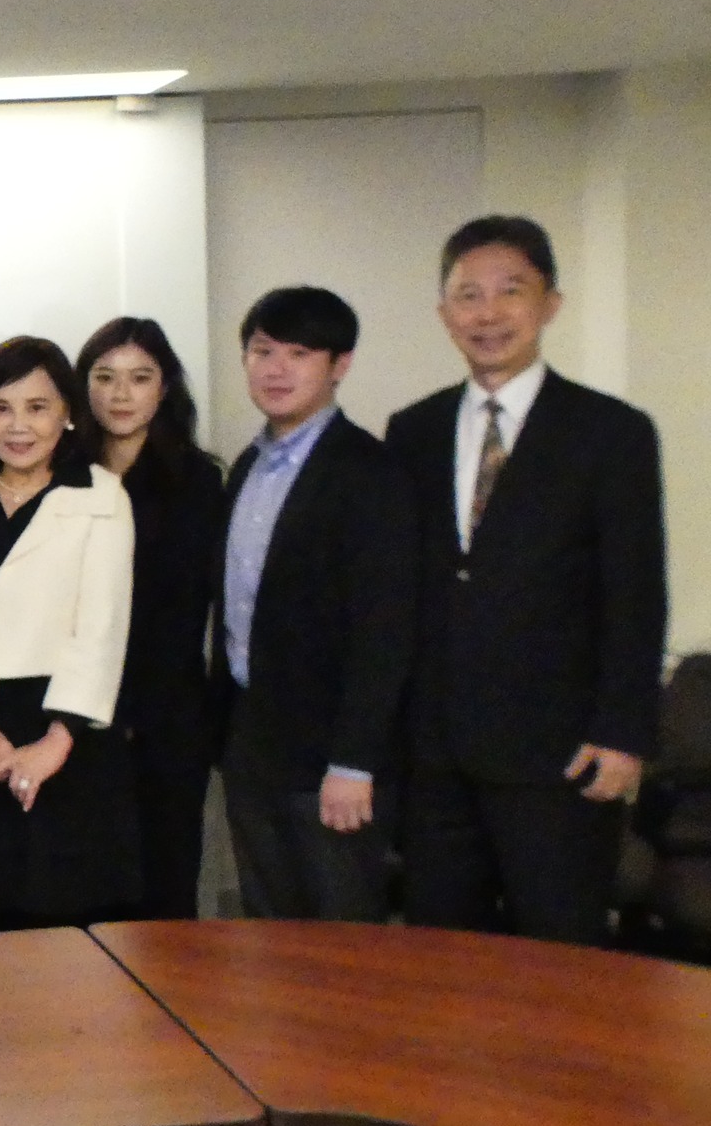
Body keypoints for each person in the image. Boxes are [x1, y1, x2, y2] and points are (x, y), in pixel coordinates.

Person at [387, 216, 666, 946]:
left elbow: (636, 593)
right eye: (468, 295)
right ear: (444, 313)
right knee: (442, 954)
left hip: (561, 755)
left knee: (558, 957)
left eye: (510, 291)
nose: (488, 313)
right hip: (437, 754)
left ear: (550, 304)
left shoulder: (611, 432)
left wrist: (623, 733)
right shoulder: (412, 431)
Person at [0, 336, 139, 929]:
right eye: (1, 408)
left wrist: (56, 742)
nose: (18, 426)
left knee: (66, 930)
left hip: (67, 731)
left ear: (67, 414)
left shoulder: (101, 495)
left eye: (37, 407)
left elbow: (102, 628)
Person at [211, 287, 416, 922]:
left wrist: (354, 762)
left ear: (340, 364)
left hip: (332, 758)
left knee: (340, 940)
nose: (275, 369)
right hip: (253, 742)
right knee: (268, 932)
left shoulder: (370, 472)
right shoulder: (246, 466)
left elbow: (385, 629)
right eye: (262, 351)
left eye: (299, 353)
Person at [77, 317, 224, 920]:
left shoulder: (197, 479)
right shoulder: (59, 473)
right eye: (105, 376)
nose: (121, 393)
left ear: (164, 389)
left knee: (163, 891)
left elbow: (183, 613)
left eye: (140, 378)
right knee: (84, 894)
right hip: (72, 718)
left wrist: (133, 711)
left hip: (164, 719)